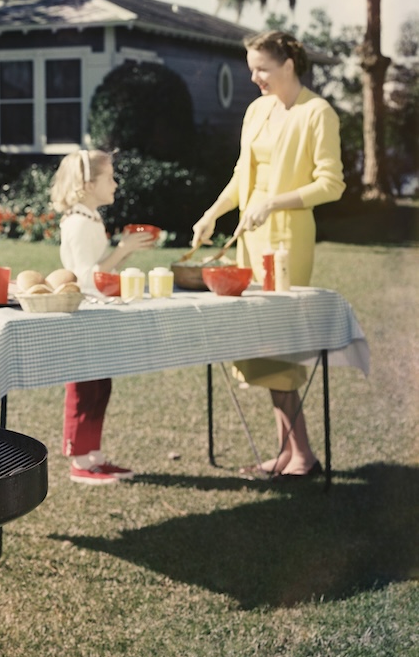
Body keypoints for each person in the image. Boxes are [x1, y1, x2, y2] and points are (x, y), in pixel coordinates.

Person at [191, 30, 345, 480]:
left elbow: (331, 184)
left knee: (278, 348)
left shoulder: (318, 113)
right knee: (259, 345)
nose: (254, 77)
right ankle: (290, 453)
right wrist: (212, 213)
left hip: (288, 243)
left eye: (262, 68)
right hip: (250, 241)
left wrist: (274, 202)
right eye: (251, 67)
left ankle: (302, 456)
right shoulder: (256, 110)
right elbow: (243, 174)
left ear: (289, 66)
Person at [48, 149, 156, 485]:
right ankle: (79, 460)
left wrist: (122, 252)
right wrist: (123, 249)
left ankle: (93, 455)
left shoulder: (90, 218)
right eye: (110, 177)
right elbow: (85, 277)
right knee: (83, 386)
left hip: (95, 312)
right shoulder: (79, 223)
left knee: (99, 384)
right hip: (82, 314)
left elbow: (97, 271)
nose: (116, 182)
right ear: (87, 184)